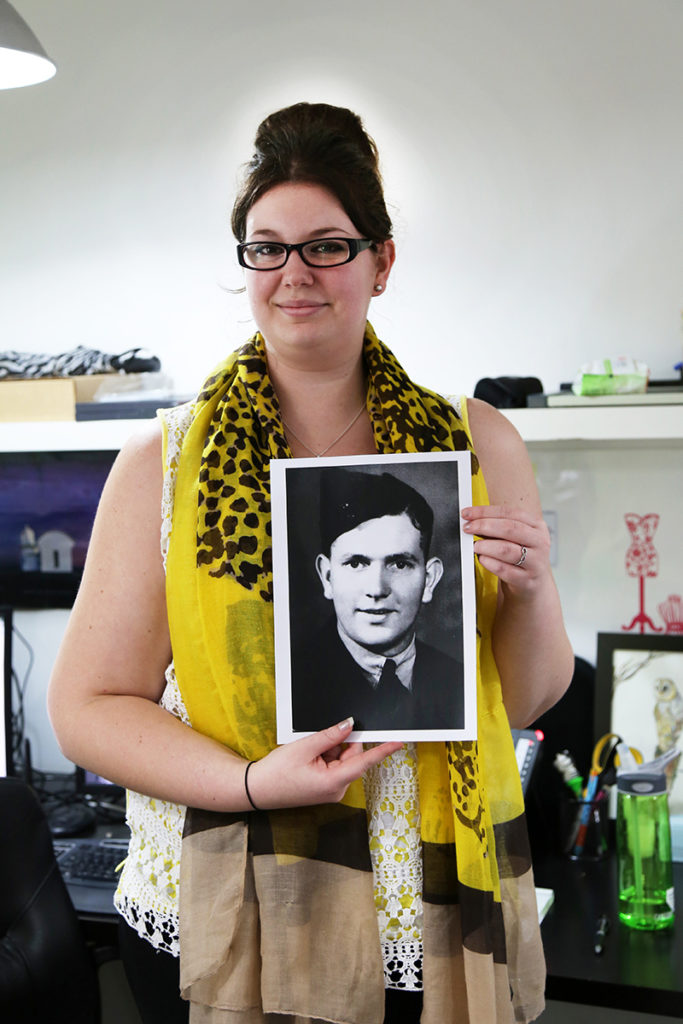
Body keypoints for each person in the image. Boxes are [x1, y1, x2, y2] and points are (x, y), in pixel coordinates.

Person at [47, 102, 574, 1024]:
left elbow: (521, 699)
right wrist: (254, 783)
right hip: (219, 915)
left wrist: (529, 591)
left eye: (327, 245)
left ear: (381, 261)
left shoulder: (475, 445)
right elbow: (87, 708)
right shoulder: (163, 466)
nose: (294, 274)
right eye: (266, 247)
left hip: (431, 918)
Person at [291, 467, 464, 732]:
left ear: (429, 579)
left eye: (399, 564)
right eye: (357, 563)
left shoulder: (460, 682)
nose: (377, 589)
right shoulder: (291, 684)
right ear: (327, 577)